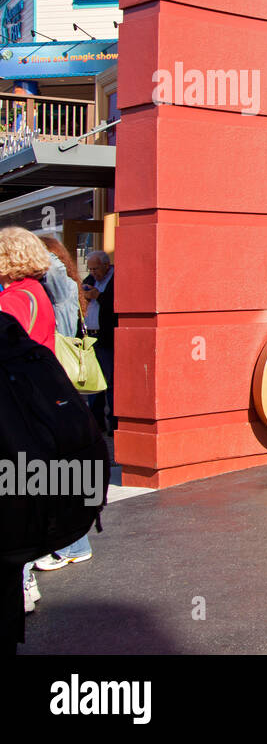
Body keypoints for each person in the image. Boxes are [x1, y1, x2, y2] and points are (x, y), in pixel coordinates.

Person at [0, 226, 60, 615]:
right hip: (38, 405)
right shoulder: (37, 292)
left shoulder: (14, 299)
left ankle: (20, 583)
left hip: (17, 405)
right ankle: (27, 579)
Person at [33, 233, 96, 572]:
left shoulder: (60, 288)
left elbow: (56, 271)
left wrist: (35, 250)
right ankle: (69, 542)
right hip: (55, 384)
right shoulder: (59, 290)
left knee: (61, 463)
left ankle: (73, 543)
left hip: (59, 383)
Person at [83, 250, 116, 432]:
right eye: (90, 268)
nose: (93, 272)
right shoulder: (90, 279)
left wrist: (99, 297)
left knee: (110, 381)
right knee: (93, 382)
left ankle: (113, 423)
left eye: (96, 268)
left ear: (106, 265)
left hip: (107, 337)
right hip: (91, 336)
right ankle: (96, 423)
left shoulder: (115, 279)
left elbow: (117, 304)